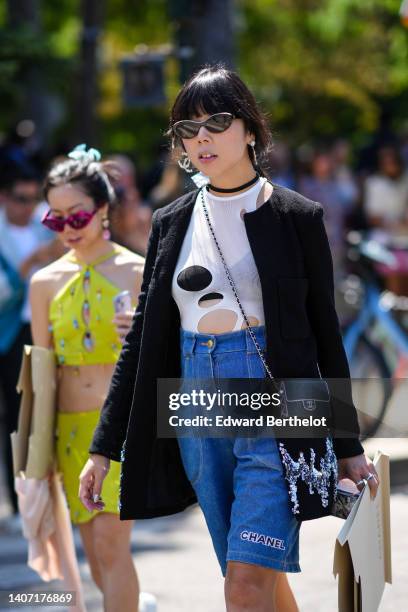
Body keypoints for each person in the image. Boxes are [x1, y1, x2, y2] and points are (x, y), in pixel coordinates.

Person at [81, 66, 379, 611]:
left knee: (244, 587)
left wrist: (347, 445)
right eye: (186, 130)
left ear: (249, 129)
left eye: (216, 122)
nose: (202, 138)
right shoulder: (171, 222)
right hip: (196, 401)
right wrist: (104, 448)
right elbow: (142, 340)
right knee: (252, 577)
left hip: (277, 401)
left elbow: (323, 333)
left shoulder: (296, 217)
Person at [29, 146, 154, 612]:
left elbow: (164, 359)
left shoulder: (139, 272)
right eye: (55, 219)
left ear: (102, 209)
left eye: (75, 216)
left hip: (119, 430)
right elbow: (41, 369)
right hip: (68, 433)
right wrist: (34, 456)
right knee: (96, 561)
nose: (67, 229)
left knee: (109, 547)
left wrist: (138, 336)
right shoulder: (43, 282)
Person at [0, 162, 61, 526]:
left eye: (32, 198)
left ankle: (46, 498)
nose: (27, 206)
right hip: (10, 334)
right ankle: (20, 502)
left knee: (42, 417)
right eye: (20, 199)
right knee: (16, 420)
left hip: (42, 330)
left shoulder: (45, 224)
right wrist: (29, 266)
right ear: (4, 197)